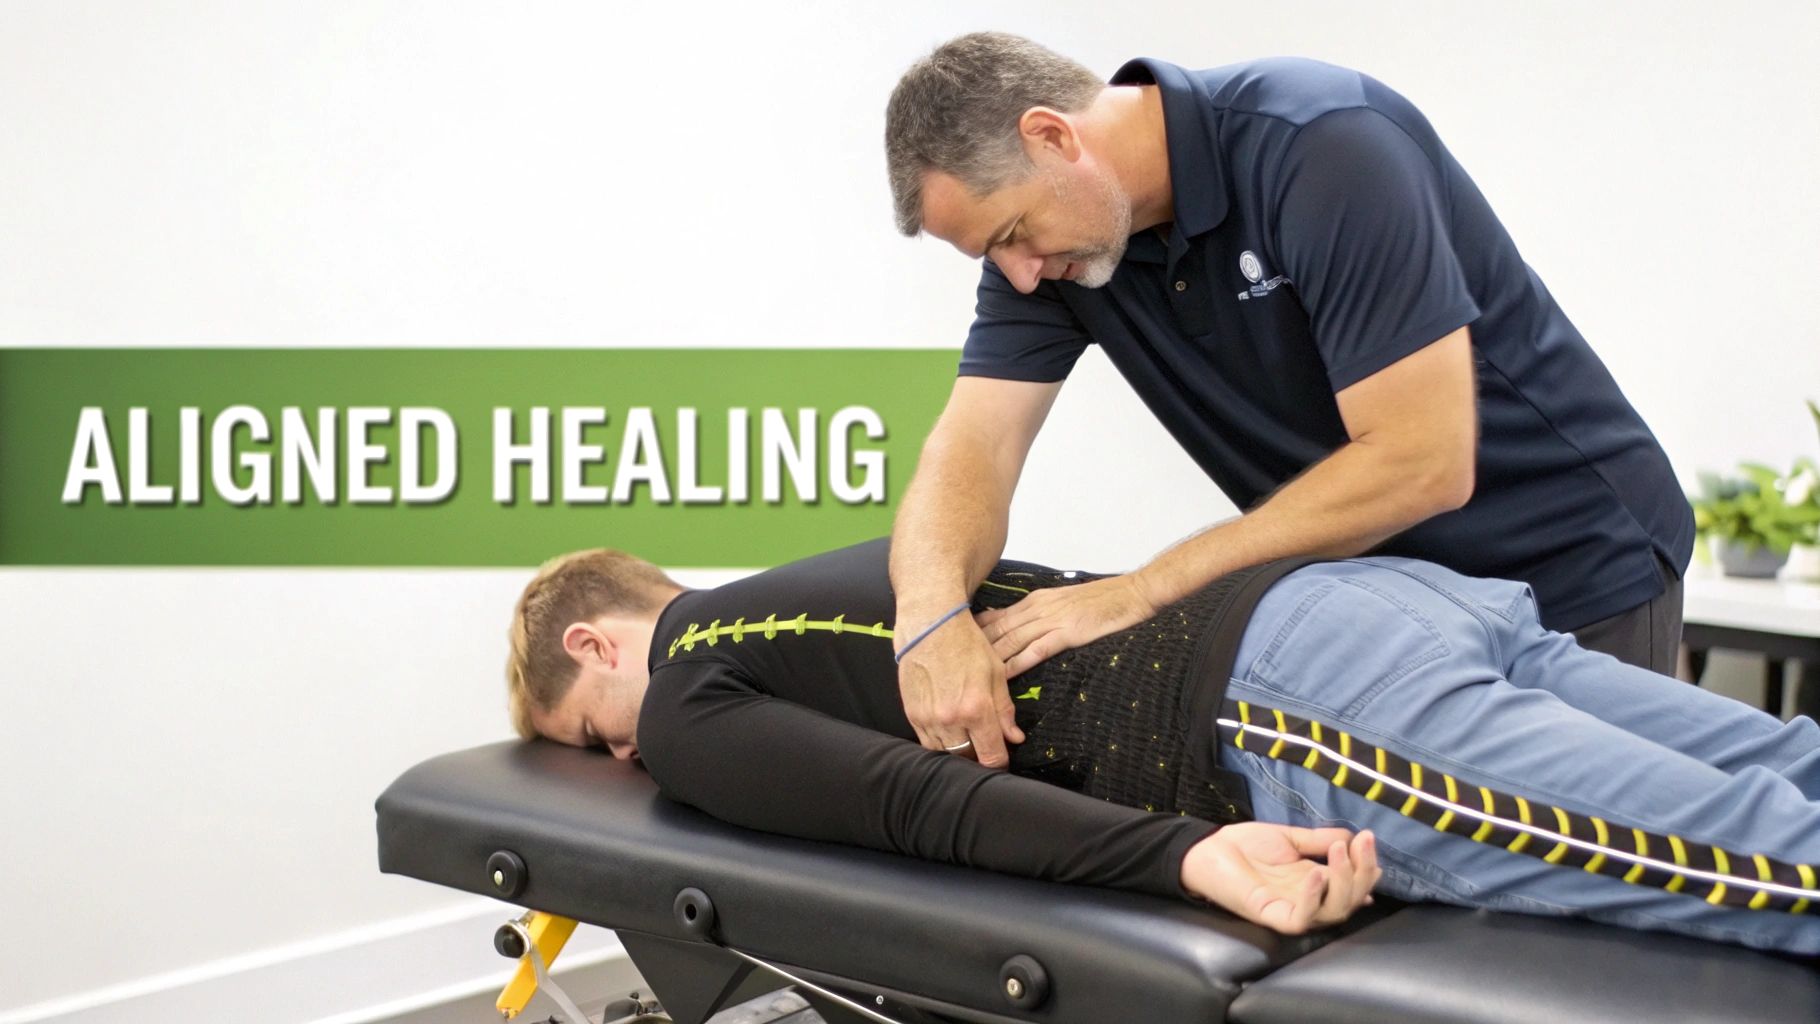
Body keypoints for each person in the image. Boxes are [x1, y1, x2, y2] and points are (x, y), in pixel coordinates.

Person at [881, 33, 1694, 771]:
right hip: (1400, 600)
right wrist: (929, 618)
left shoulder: (1324, 145)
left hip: (1573, 564)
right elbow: (973, 449)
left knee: (1628, 875)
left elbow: (1423, 461)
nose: (1016, 272)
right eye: (994, 253)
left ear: (1053, 137)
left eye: (1011, 233)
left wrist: (1143, 588)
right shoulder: (1056, 259)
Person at [505, 539, 1820, 955]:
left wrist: (1194, 860)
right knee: (1793, 779)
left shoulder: (681, 697)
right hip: (1360, 601)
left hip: (1295, 710)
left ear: (597, 649)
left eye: (590, 738)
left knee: (1772, 868)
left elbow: (920, 807)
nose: (623, 767)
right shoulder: (843, 578)